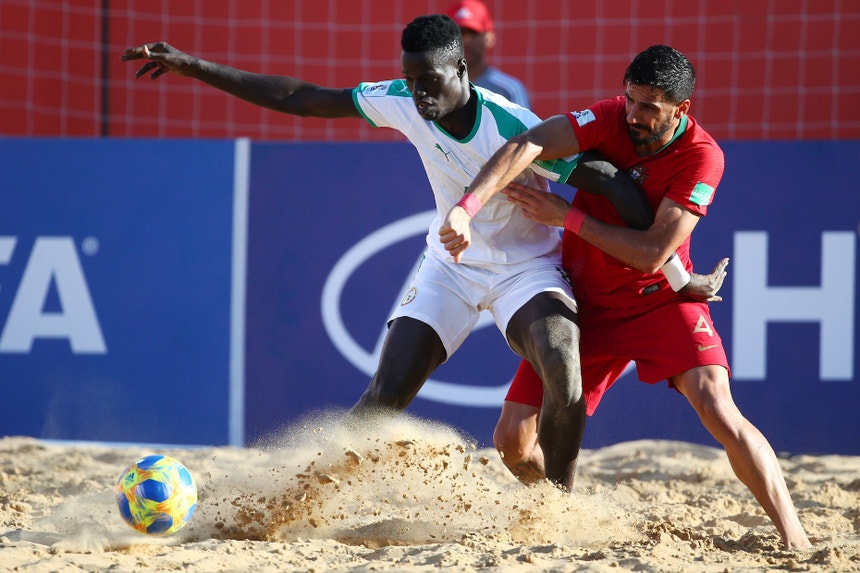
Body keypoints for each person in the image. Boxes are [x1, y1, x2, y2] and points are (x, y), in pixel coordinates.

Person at [122, 21, 722, 492]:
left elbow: (615, 186)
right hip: (450, 265)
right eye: (410, 81)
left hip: (527, 269)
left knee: (564, 377)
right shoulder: (404, 100)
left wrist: (676, 273)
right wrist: (193, 66)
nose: (419, 95)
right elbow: (304, 98)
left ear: (461, 68)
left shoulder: (513, 123)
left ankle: (557, 506)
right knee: (386, 394)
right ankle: (305, 495)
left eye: (430, 81)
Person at [439, 45, 812, 550]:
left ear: (681, 109)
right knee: (511, 443)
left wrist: (565, 215)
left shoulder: (702, 156)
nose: (635, 115)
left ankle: (796, 538)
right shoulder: (612, 116)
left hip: (659, 302)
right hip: (584, 306)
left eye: (650, 107)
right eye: (631, 99)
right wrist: (467, 206)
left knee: (719, 409)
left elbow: (653, 253)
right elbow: (527, 142)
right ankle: (565, 516)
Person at [446, 0, 530, 108]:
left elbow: (526, 125)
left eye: (473, 33)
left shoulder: (507, 90)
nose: (466, 40)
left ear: (489, 38)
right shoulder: (435, 90)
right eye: (459, 33)